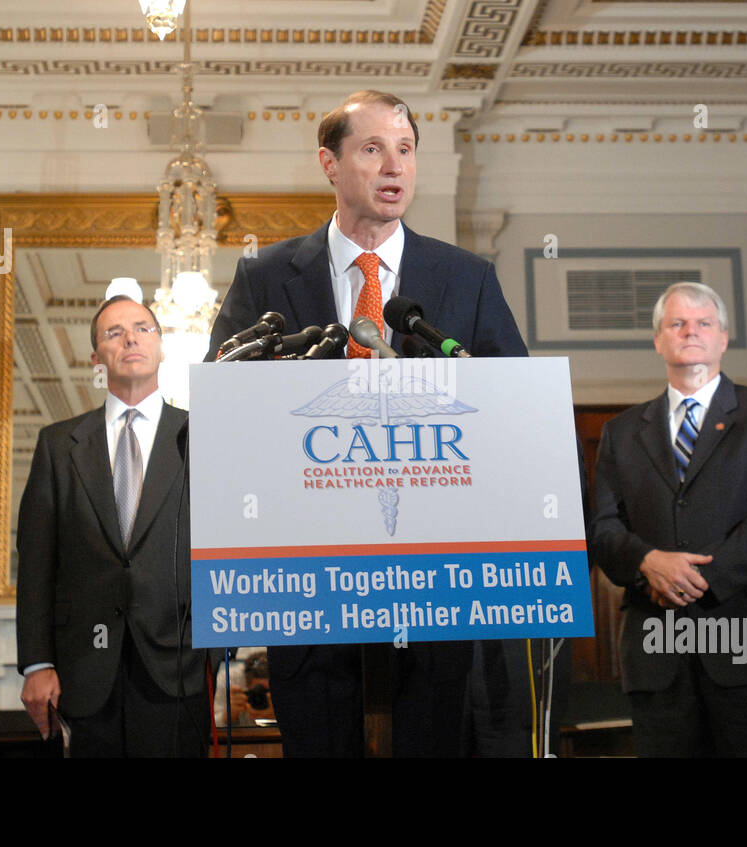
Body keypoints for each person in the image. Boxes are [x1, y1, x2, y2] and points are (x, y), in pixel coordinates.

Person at [206, 89, 527, 757]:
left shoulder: (466, 278)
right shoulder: (265, 277)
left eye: (406, 150)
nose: (394, 167)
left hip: (435, 578)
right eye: (373, 148)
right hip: (307, 575)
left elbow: (514, 414)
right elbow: (222, 410)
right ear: (329, 162)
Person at [588, 281, 747, 757]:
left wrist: (693, 576)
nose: (691, 332)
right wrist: (649, 562)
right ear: (658, 340)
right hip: (656, 646)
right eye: (677, 323)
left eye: (703, 322)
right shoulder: (620, 433)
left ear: (723, 338)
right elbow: (602, 530)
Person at [16, 295, 209, 757]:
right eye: (113, 332)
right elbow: (37, 561)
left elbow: (225, 549)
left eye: (143, 328)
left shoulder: (202, 436)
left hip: (176, 669)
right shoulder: (58, 445)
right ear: (96, 359)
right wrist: (36, 663)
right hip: (81, 672)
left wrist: (219, 653)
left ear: (163, 347)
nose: (130, 339)